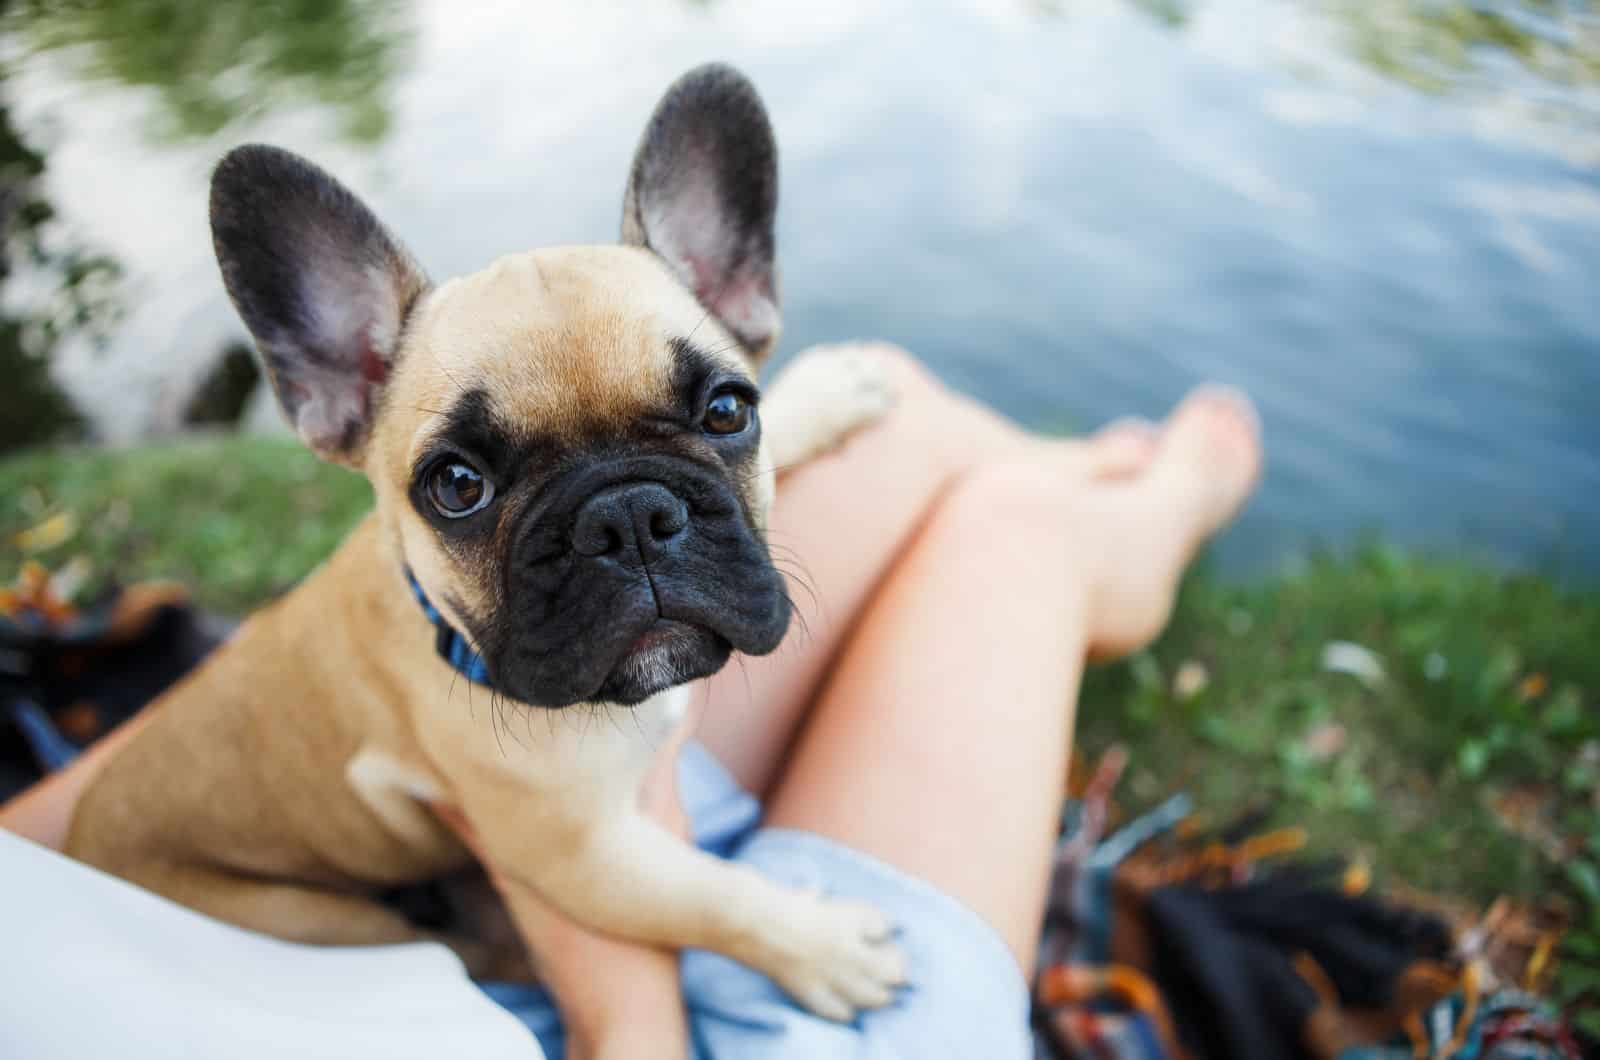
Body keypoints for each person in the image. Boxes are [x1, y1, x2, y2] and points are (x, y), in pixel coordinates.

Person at [0, 345, 1262, 1060]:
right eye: (460, 484)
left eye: (714, 406)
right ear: (332, 400)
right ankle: (1135, 521)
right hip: (648, 980)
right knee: (1015, 531)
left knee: (877, 396)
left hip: (545, 840)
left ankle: (1081, 476)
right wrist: (618, 983)